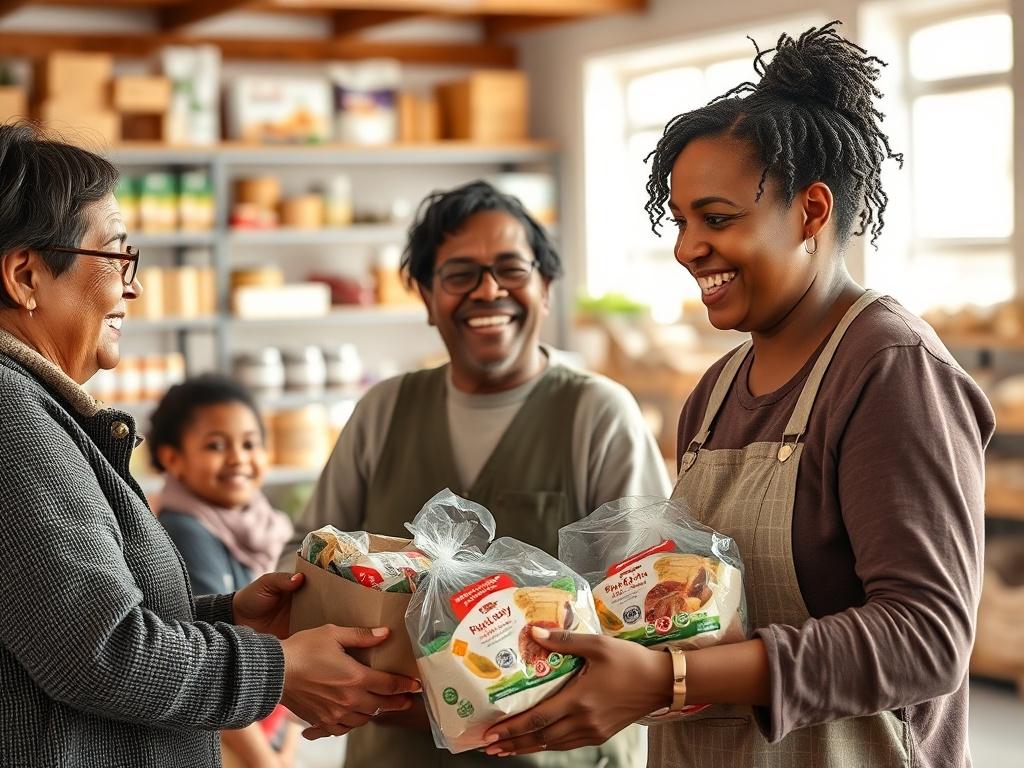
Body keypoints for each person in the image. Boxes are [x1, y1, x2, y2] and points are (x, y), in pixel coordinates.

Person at [480, 22, 995, 768]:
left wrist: (672, 674)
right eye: (683, 220)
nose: (689, 246)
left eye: (718, 219)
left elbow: (927, 640)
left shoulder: (890, 370)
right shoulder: (715, 393)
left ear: (812, 213)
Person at [0, 122, 419, 768]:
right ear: (26, 276)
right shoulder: (12, 417)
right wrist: (274, 668)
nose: (132, 287)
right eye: (116, 257)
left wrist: (226, 618)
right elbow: (102, 653)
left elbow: (71, 624)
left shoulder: (33, 408)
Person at [298, 179, 671, 767]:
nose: (489, 291)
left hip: (554, 755)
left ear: (546, 288)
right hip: (398, 750)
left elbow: (646, 613)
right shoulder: (385, 411)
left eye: (511, 269)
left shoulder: (596, 414)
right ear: (424, 296)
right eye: (459, 274)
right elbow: (312, 574)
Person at [150, 374, 301, 768]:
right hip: (231, 744)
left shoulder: (265, 523)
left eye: (250, 443)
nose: (238, 458)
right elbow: (209, 657)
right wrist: (266, 761)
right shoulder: (186, 532)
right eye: (216, 445)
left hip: (265, 732)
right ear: (172, 459)